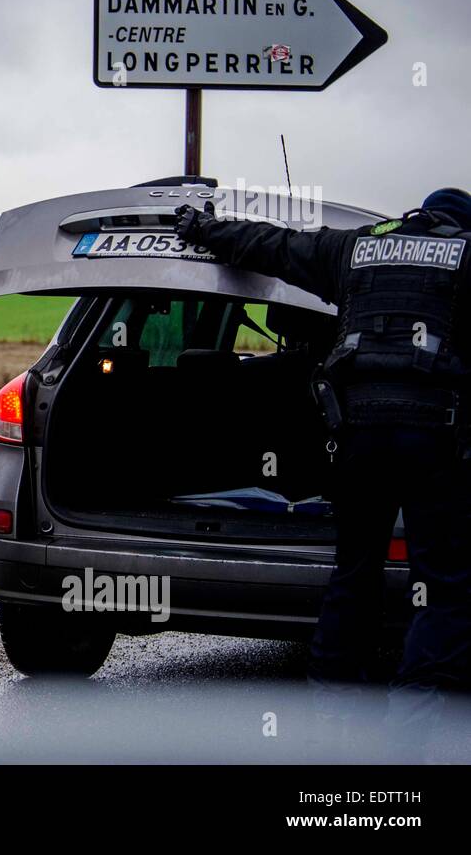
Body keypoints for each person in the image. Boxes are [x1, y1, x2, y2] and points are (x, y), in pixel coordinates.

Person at [174, 189, 471, 760]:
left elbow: (273, 246)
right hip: (437, 438)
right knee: (446, 588)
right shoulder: (464, 257)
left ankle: (335, 712)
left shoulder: (359, 251)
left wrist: (205, 229)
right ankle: (410, 722)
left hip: (357, 434)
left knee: (354, 570)